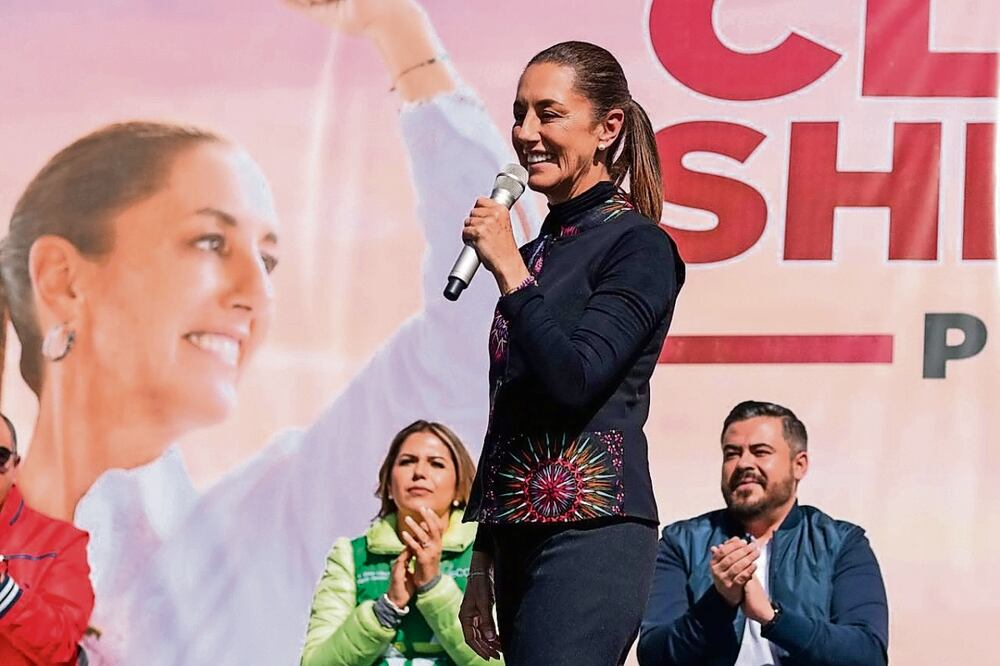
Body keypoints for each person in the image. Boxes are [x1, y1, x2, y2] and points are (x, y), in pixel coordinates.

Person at [0, 0, 539, 662]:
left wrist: (398, 32)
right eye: (208, 241)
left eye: (269, 260)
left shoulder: (277, 520)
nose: (257, 294)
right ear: (62, 277)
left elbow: (484, 323)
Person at [456, 41, 686, 665]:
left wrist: (507, 269)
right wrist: (482, 555)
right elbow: (510, 412)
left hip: (592, 530)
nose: (526, 133)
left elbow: (575, 379)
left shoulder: (638, 248)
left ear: (608, 127)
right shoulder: (532, 256)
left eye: (548, 114)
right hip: (516, 531)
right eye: (519, 113)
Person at [637, 401, 889, 666]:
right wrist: (720, 602)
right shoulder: (682, 543)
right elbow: (654, 655)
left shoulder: (841, 543)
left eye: (760, 452)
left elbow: (867, 654)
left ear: (799, 465)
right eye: (732, 453)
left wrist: (773, 618)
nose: (744, 463)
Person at [302, 420, 499, 665]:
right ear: (388, 484)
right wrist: (386, 609)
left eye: (436, 464)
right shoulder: (351, 556)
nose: (419, 473)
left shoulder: (486, 553)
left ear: (460, 488)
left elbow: (502, 662)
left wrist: (433, 588)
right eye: (407, 461)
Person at [0, 413, 94, 665]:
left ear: (15, 467)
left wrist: (4, 592)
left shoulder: (61, 543)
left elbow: (62, 649)